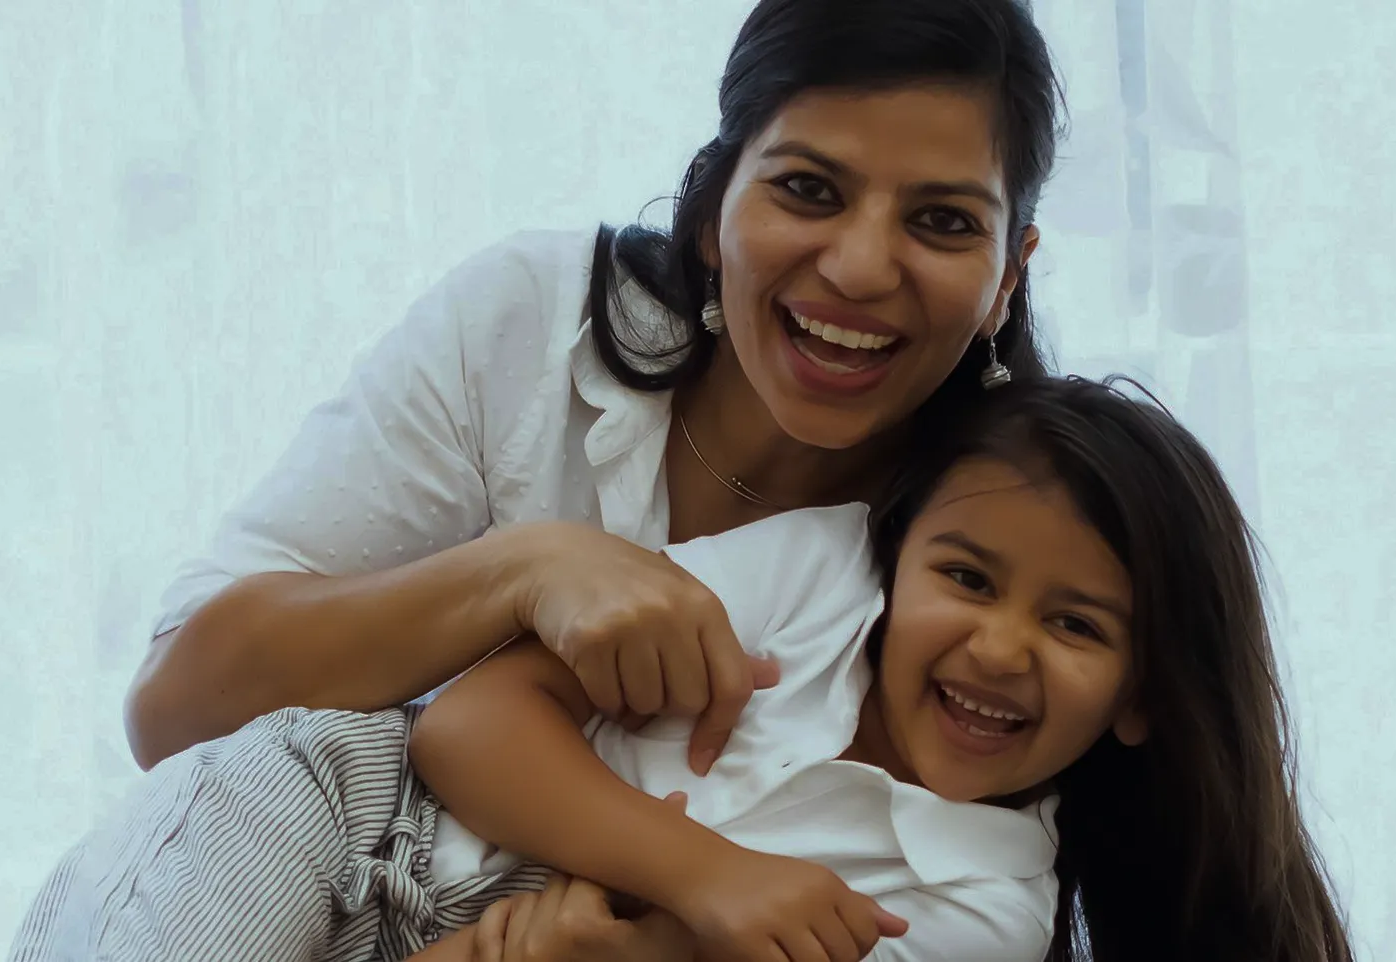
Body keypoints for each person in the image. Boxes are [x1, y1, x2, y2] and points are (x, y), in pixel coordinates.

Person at [13, 377, 1356, 961]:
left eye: (1077, 626)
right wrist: (705, 877)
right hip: (344, 812)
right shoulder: (829, 570)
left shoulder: (984, 912)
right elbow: (466, 725)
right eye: (964, 578)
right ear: (901, 560)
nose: (996, 644)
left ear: (1143, 698)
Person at [125, 0, 1062, 784]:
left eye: (941, 221)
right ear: (712, 209)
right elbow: (173, 710)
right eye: (809, 189)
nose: (859, 269)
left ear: (1009, 275)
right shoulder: (527, 327)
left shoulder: (1038, 535)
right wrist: (523, 573)